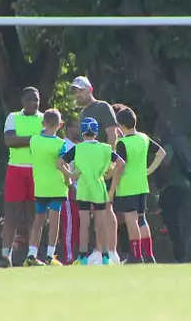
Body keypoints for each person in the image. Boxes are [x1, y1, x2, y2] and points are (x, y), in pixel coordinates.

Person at [58, 117, 125, 266]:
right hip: (98, 187)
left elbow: (60, 163)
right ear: (96, 132)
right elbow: (121, 163)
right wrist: (109, 174)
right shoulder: (105, 148)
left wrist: (70, 175)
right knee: (101, 222)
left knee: (84, 223)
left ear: (82, 131)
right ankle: (106, 256)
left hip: (83, 188)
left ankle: (82, 257)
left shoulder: (77, 148)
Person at [71, 76, 121, 264]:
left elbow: (112, 133)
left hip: (102, 166)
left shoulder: (102, 107)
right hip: (90, 169)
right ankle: (100, 250)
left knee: (106, 207)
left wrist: (110, 163)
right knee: (96, 210)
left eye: (80, 90)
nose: (77, 94)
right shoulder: (83, 113)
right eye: (75, 91)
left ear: (90, 89)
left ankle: (111, 252)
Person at [0, 87, 43, 268]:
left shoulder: (44, 119)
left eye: (36, 100)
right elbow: (9, 141)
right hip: (16, 170)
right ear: (22, 101)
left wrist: (22, 139)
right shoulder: (13, 117)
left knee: (35, 214)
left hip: (37, 171)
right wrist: (34, 139)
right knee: (12, 214)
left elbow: (46, 142)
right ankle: (6, 256)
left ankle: (32, 256)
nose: (33, 103)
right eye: (29, 100)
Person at [114, 107, 166, 263]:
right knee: (142, 219)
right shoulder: (143, 137)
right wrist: (149, 170)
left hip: (127, 186)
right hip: (142, 185)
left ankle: (136, 255)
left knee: (131, 220)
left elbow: (120, 165)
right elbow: (161, 153)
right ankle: (149, 255)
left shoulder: (122, 142)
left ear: (121, 125)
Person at [24, 109, 68, 266]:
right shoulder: (61, 144)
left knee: (38, 221)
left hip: (40, 186)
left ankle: (31, 254)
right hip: (57, 186)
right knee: (54, 222)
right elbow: (63, 164)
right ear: (60, 125)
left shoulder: (34, 141)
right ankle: (50, 255)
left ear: (43, 123)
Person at [154, 131, 191, 264]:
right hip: (184, 186)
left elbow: (164, 162)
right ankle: (181, 255)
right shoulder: (182, 145)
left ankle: (179, 256)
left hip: (173, 187)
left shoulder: (169, 146)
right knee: (177, 223)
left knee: (172, 223)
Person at [60, 116, 80, 264]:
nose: (77, 130)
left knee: (80, 224)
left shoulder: (83, 146)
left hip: (83, 192)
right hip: (69, 191)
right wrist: (71, 185)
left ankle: (80, 255)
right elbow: (63, 167)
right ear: (68, 129)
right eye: (75, 126)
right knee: (69, 224)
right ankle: (68, 256)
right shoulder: (65, 145)